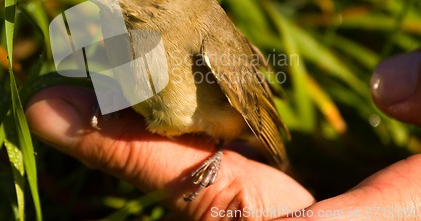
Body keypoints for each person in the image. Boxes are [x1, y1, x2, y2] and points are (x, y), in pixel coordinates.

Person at [26, 50, 421, 220]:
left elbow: (258, 113)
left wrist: (277, 159)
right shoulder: (118, 29)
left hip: (225, 136)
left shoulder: (209, 52)